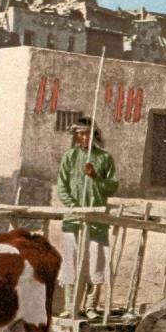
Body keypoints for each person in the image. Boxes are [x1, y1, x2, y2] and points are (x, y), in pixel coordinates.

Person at [56, 117, 119, 319]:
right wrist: (75, 208)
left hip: (97, 220)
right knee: (71, 263)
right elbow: (62, 187)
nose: (83, 138)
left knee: (96, 263)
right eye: (80, 134)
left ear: (94, 135)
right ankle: (70, 305)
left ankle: (91, 307)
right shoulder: (69, 157)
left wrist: (96, 177)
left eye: (87, 134)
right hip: (73, 220)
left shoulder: (104, 159)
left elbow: (112, 187)